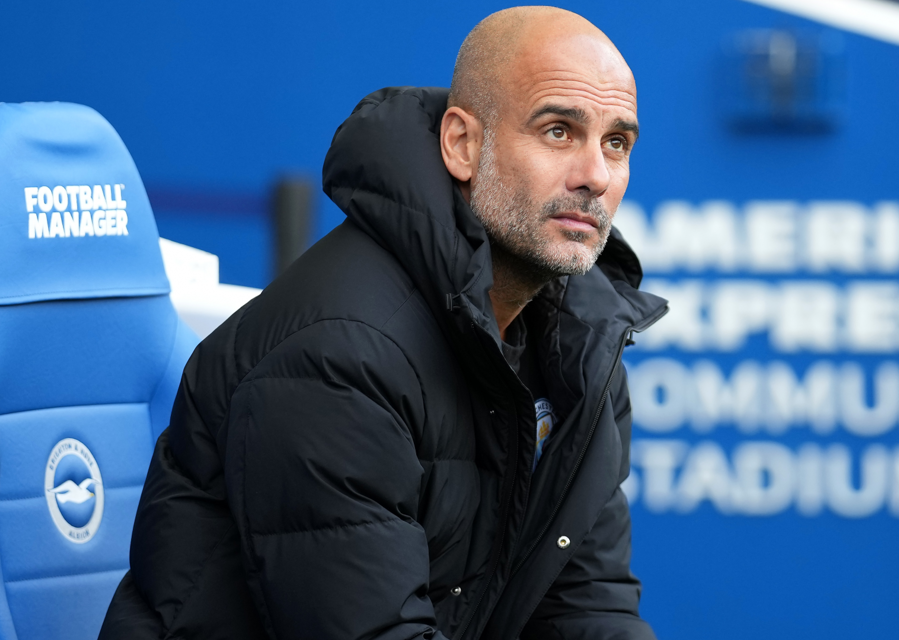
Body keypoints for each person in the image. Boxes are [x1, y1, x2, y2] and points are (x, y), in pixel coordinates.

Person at [99, 6, 667, 640]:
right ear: (462, 144)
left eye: (616, 142)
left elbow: (587, 612)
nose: (595, 176)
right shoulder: (338, 357)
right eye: (559, 131)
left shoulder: (581, 352)